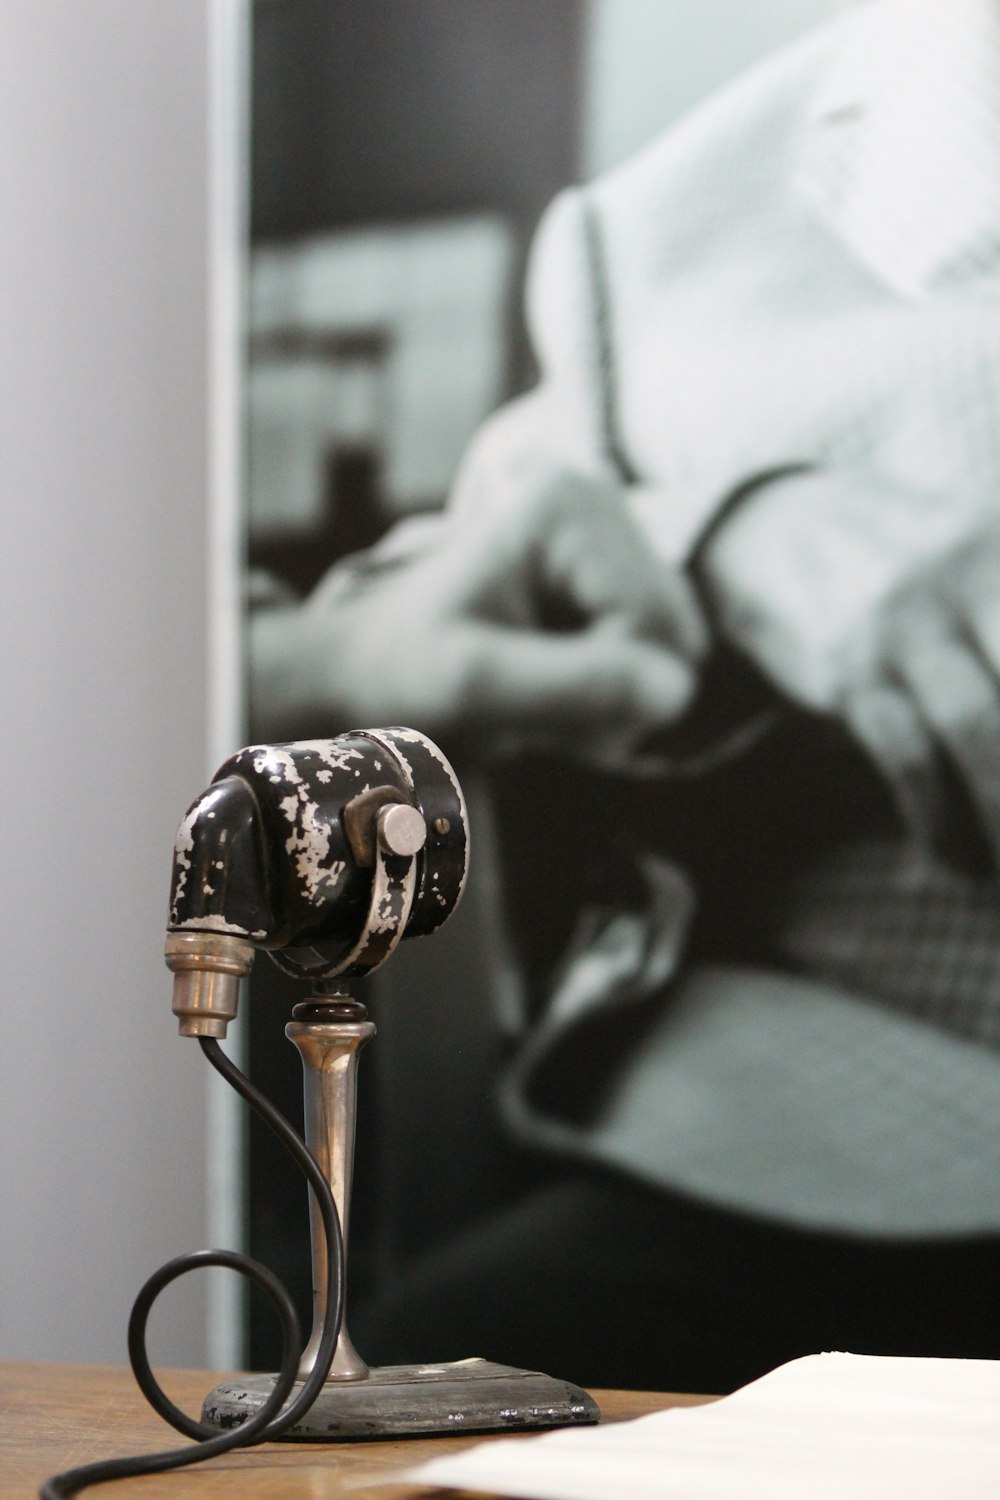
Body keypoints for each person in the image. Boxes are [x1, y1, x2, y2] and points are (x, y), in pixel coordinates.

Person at [251, 0, 1000, 1390]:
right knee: (426, 1395)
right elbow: (455, 572)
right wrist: (719, 536)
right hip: (845, 1133)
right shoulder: (670, 230)